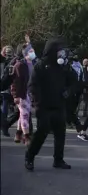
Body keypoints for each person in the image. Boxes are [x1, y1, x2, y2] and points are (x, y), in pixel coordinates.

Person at [25, 37, 74, 171]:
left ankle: (58, 160)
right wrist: (37, 103)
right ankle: (29, 156)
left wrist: (68, 92)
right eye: (59, 50)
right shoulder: (40, 65)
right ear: (53, 50)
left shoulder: (63, 66)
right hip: (44, 106)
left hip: (59, 105)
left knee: (60, 133)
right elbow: (32, 86)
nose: (62, 53)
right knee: (42, 132)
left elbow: (74, 82)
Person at [10, 43, 36, 145]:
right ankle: (26, 137)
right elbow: (15, 82)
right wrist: (16, 95)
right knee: (25, 115)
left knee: (23, 115)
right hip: (21, 94)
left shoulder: (30, 64)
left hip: (28, 93)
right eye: (30, 51)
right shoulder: (20, 65)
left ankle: (18, 133)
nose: (32, 52)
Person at [65, 54, 84, 136]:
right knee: (70, 110)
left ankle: (76, 124)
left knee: (68, 110)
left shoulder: (70, 69)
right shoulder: (78, 67)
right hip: (74, 91)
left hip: (69, 92)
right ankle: (76, 125)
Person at [1, 45, 15, 136]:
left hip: (7, 85)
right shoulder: (11, 61)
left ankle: (4, 124)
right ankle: (4, 125)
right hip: (7, 85)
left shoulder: (6, 61)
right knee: (6, 102)